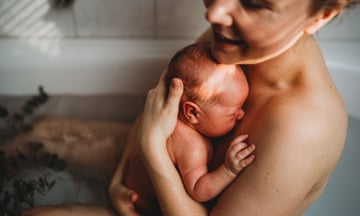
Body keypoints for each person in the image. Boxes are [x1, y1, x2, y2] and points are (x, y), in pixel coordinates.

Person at [114, 0, 360, 216]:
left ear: (320, 16)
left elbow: (153, 134)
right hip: (144, 192)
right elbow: (159, 112)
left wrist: (153, 150)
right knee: (75, 137)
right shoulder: (228, 46)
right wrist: (118, 181)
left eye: (253, 2)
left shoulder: (301, 128)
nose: (214, 13)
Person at [120, 43, 255, 215]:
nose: (241, 114)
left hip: (129, 180)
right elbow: (198, 190)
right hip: (143, 206)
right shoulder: (192, 146)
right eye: (233, 112)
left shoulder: (166, 117)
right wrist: (228, 170)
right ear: (192, 112)